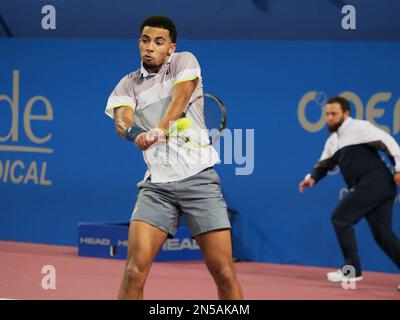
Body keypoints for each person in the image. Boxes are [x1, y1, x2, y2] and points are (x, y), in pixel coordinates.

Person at [105, 15, 243, 300]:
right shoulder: (127, 85)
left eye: (158, 42)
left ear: (170, 47)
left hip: (199, 182)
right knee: (133, 272)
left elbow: (182, 97)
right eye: (145, 40)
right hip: (156, 188)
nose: (150, 47)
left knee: (224, 272)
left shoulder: (184, 61)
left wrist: (159, 127)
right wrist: (135, 135)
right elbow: (122, 121)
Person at [299, 96, 400, 287]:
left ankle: (351, 270)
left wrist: (399, 168)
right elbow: (323, 165)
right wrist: (311, 178)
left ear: (346, 114)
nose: (329, 117)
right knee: (383, 235)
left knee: (340, 218)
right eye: (327, 114)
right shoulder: (332, 141)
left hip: (376, 183)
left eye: (334, 114)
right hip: (379, 187)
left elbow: (389, 142)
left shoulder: (359, 127)